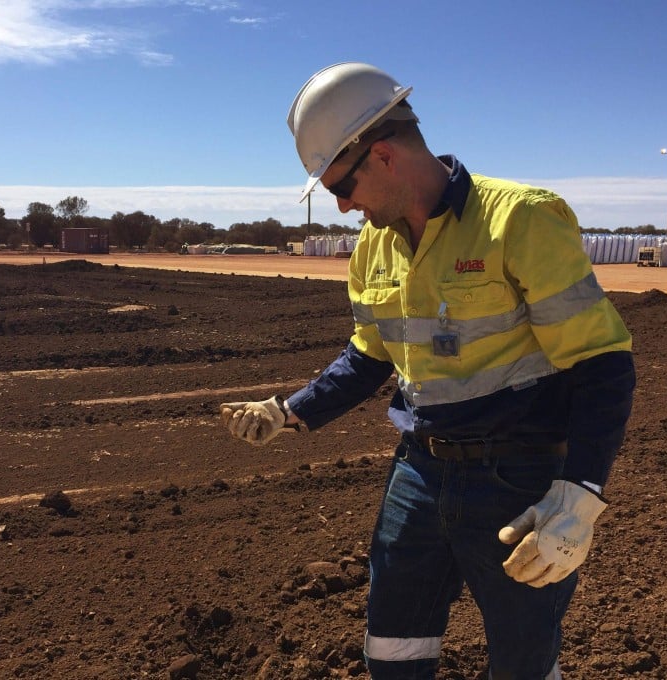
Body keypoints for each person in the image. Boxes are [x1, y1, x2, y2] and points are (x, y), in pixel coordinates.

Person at [219, 62, 635, 679]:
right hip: (419, 471)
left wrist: (580, 495)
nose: (340, 207)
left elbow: (602, 363)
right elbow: (368, 356)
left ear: (382, 155)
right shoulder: (373, 247)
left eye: (341, 185)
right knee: (393, 645)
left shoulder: (518, 220)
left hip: (516, 479)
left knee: (522, 659)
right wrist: (288, 411)